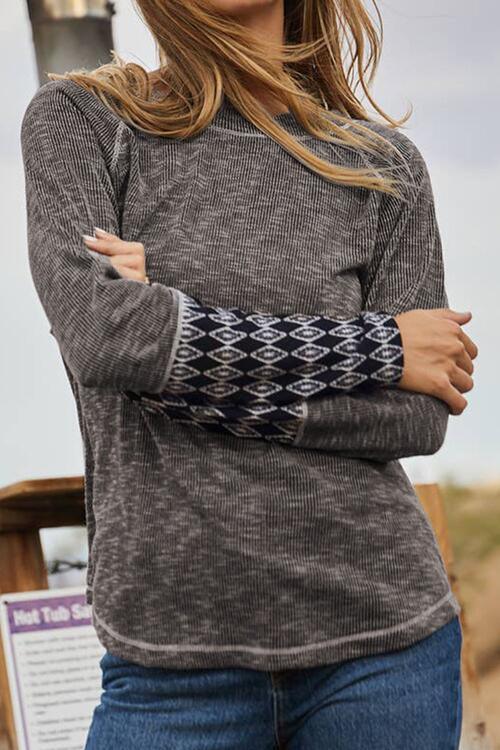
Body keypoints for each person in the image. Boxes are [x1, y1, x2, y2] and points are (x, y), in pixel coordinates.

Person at [20, 0, 477, 747]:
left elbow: (417, 417)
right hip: (169, 665)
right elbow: (107, 339)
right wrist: (380, 349)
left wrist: (170, 351)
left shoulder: (385, 166)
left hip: (384, 645)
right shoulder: (84, 121)